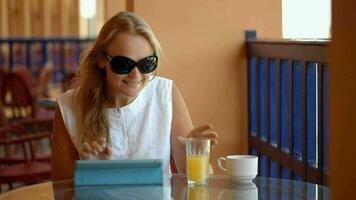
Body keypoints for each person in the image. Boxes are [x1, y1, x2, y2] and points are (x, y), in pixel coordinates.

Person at [51, 11, 218, 180]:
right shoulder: (69, 106)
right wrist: (89, 173)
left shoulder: (165, 94)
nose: (136, 75)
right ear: (101, 59)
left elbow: (198, 181)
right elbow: (60, 190)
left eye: (147, 63)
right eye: (123, 64)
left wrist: (194, 153)